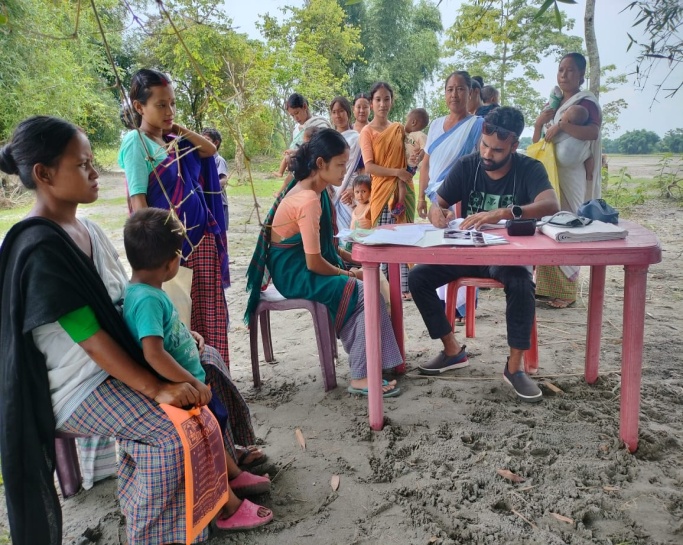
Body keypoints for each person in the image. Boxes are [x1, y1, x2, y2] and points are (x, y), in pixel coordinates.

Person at [0, 116, 271, 545]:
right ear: (44, 174)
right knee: (170, 430)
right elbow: (90, 336)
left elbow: (124, 301)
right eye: (82, 164)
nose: (95, 172)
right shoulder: (39, 247)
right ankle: (156, 533)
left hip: (113, 364)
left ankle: (223, 471)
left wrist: (177, 337)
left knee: (208, 362)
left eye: (92, 161)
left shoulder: (86, 230)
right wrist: (155, 387)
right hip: (76, 386)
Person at [408, 107, 560, 402]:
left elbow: (551, 203)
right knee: (418, 277)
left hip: (506, 258)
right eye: (484, 146)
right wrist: (437, 214)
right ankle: (452, 351)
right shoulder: (468, 165)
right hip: (466, 252)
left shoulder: (529, 169)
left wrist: (505, 212)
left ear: (514, 146)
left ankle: (515, 368)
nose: (488, 155)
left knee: (521, 283)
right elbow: (438, 204)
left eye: (497, 150)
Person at [122, 207, 272, 499]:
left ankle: (234, 474)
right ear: (170, 263)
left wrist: (188, 337)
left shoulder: (148, 290)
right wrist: (191, 382)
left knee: (215, 425)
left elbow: (161, 333)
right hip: (185, 388)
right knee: (208, 432)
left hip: (192, 382)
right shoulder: (146, 299)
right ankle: (225, 486)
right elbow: (153, 354)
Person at [245, 129, 403, 397]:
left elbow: (326, 245)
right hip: (295, 274)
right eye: (340, 165)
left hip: (303, 266)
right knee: (364, 294)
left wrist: (351, 260)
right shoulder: (308, 200)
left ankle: (380, 364)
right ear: (320, 164)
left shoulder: (317, 190)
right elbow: (314, 262)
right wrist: (350, 274)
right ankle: (361, 376)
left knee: (368, 285)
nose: (346, 171)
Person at [118, 69, 231, 366]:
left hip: (200, 238)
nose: (169, 111)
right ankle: (193, 378)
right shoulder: (137, 143)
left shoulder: (175, 139)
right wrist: (155, 247)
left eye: (172, 104)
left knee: (211, 310)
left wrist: (176, 128)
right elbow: (139, 200)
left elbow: (209, 149)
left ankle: (218, 376)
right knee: (182, 315)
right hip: (170, 247)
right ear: (139, 107)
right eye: (161, 105)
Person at [532, 52, 602, 309]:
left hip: (572, 178)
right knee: (549, 224)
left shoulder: (587, 102)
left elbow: (593, 132)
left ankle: (567, 291)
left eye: (571, 70)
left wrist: (561, 126)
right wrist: (541, 123)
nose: (564, 75)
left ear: (582, 75)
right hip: (551, 176)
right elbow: (538, 143)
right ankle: (546, 288)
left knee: (570, 224)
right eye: (561, 70)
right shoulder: (555, 103)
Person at [359, 81, 415, 300]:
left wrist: (411, 164)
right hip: (381, 192)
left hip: (401, 191)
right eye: (378, 100)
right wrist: (396, 172)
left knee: (402, 239)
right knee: (382, 242)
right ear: (372, 104)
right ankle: (384, 286)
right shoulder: (367, 131)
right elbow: (370, 166)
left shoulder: (399, 129)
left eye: (386, 99)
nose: (382, 104)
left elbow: (407, 160)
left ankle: (405, 288)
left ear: (392, 101)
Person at [273, 92, 332, 178]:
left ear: (304, 107)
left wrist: (297, 153)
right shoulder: (297, 128)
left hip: (317, 174)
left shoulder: (320, 125)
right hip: (299, 174)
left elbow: (322, 149)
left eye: (297, 113)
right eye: (292, 115)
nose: (295, 118)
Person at [329, 96, 364, 231]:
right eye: (334, 112)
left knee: (350, 232)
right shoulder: (329, 138)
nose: (338, 115)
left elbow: (363, 169)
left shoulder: (357, 139)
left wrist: (354, 190)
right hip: (330, 190)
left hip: (350, 191)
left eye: (341, 111)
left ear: (348, 113)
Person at [393, 108, 429, 217]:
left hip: (411, 165)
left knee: (401, 182)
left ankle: (401, 203)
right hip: (405, 163)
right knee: (399, 182)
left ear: (413, 122)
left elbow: (425, 148)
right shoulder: (406, 135)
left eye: (407, 120)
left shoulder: (419, 134)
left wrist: (419, 158)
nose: (405, 123)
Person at [202, 127, 230, 231]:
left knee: (219, 228)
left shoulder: (219, 160)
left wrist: (210, 185)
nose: (203, 142)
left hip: (219, 201)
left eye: (207, 140)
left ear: (216, 143)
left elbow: (224, 180)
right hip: (207, 199)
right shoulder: (201, 160)